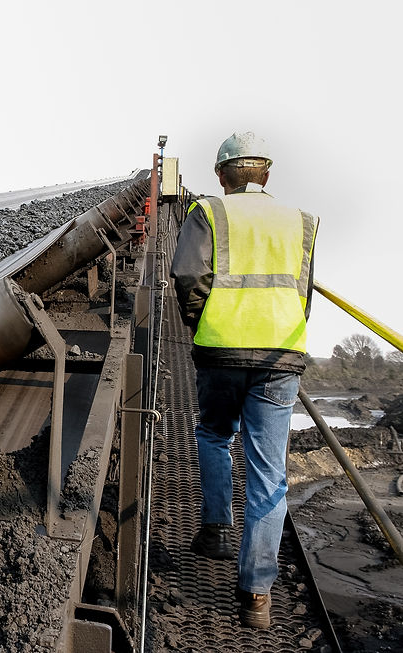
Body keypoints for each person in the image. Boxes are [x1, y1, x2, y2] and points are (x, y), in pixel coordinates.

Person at [169, 131, 319, 629]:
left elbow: (188, 277)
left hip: (221, 350)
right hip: (281, 355)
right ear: (267, 175)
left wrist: (200, 322)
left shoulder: (210, 212)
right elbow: (304, 291)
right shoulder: (302, 222)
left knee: (214, 434)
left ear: (221, 176)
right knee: (270, 475)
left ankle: (215, 529)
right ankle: (256, 594)